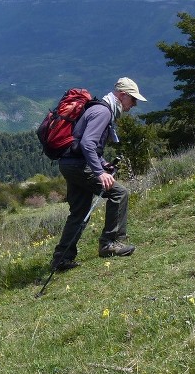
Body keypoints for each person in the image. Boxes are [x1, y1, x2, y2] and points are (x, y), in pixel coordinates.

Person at [51, 77, 147, 270]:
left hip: (68, 163)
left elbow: (83, 143)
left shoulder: (98, 109)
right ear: (122, 95)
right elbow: (87, 144)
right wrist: (99, 172)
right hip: (79, 165)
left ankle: (61, 258)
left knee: (79, 211)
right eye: (133, 99)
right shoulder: (103, 112)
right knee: (119, 194)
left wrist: (103, 164)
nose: (134, 104)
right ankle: (110, 243)